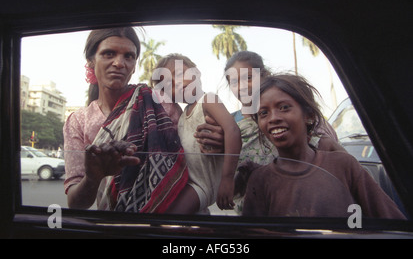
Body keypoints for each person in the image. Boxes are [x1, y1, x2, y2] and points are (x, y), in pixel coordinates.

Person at [242, 74, 406, 219]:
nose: (273, 118)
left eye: (284, 107)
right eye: (263, 113)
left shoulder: (343, 165)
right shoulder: (260, 180)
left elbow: (392, 222)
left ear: (309, 116)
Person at [63, 27, 188, 212]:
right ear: (91, 61)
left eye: (128, 56)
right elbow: (75, 203)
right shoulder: (78, 121)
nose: (119, 63)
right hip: (114, 224)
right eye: (108, 54)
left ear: (134, 65)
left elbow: (191, 161)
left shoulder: (159, 103)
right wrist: (92, 178)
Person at [224, 50, 343, 213]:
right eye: (234, 82)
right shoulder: (228, 126)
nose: (242, 86)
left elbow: (336, 158)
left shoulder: (301, 118)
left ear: (264, 75)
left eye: (249, 78)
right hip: (254, 215)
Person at [151, 53, 242, 213]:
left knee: (170, 218)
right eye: (169, 84)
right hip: (186, 181)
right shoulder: (181, 117)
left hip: (202, 185)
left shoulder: (208, 100)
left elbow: (232, 130)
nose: (178, 83)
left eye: (179, 74)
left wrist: (228, 179)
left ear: (196, 72)